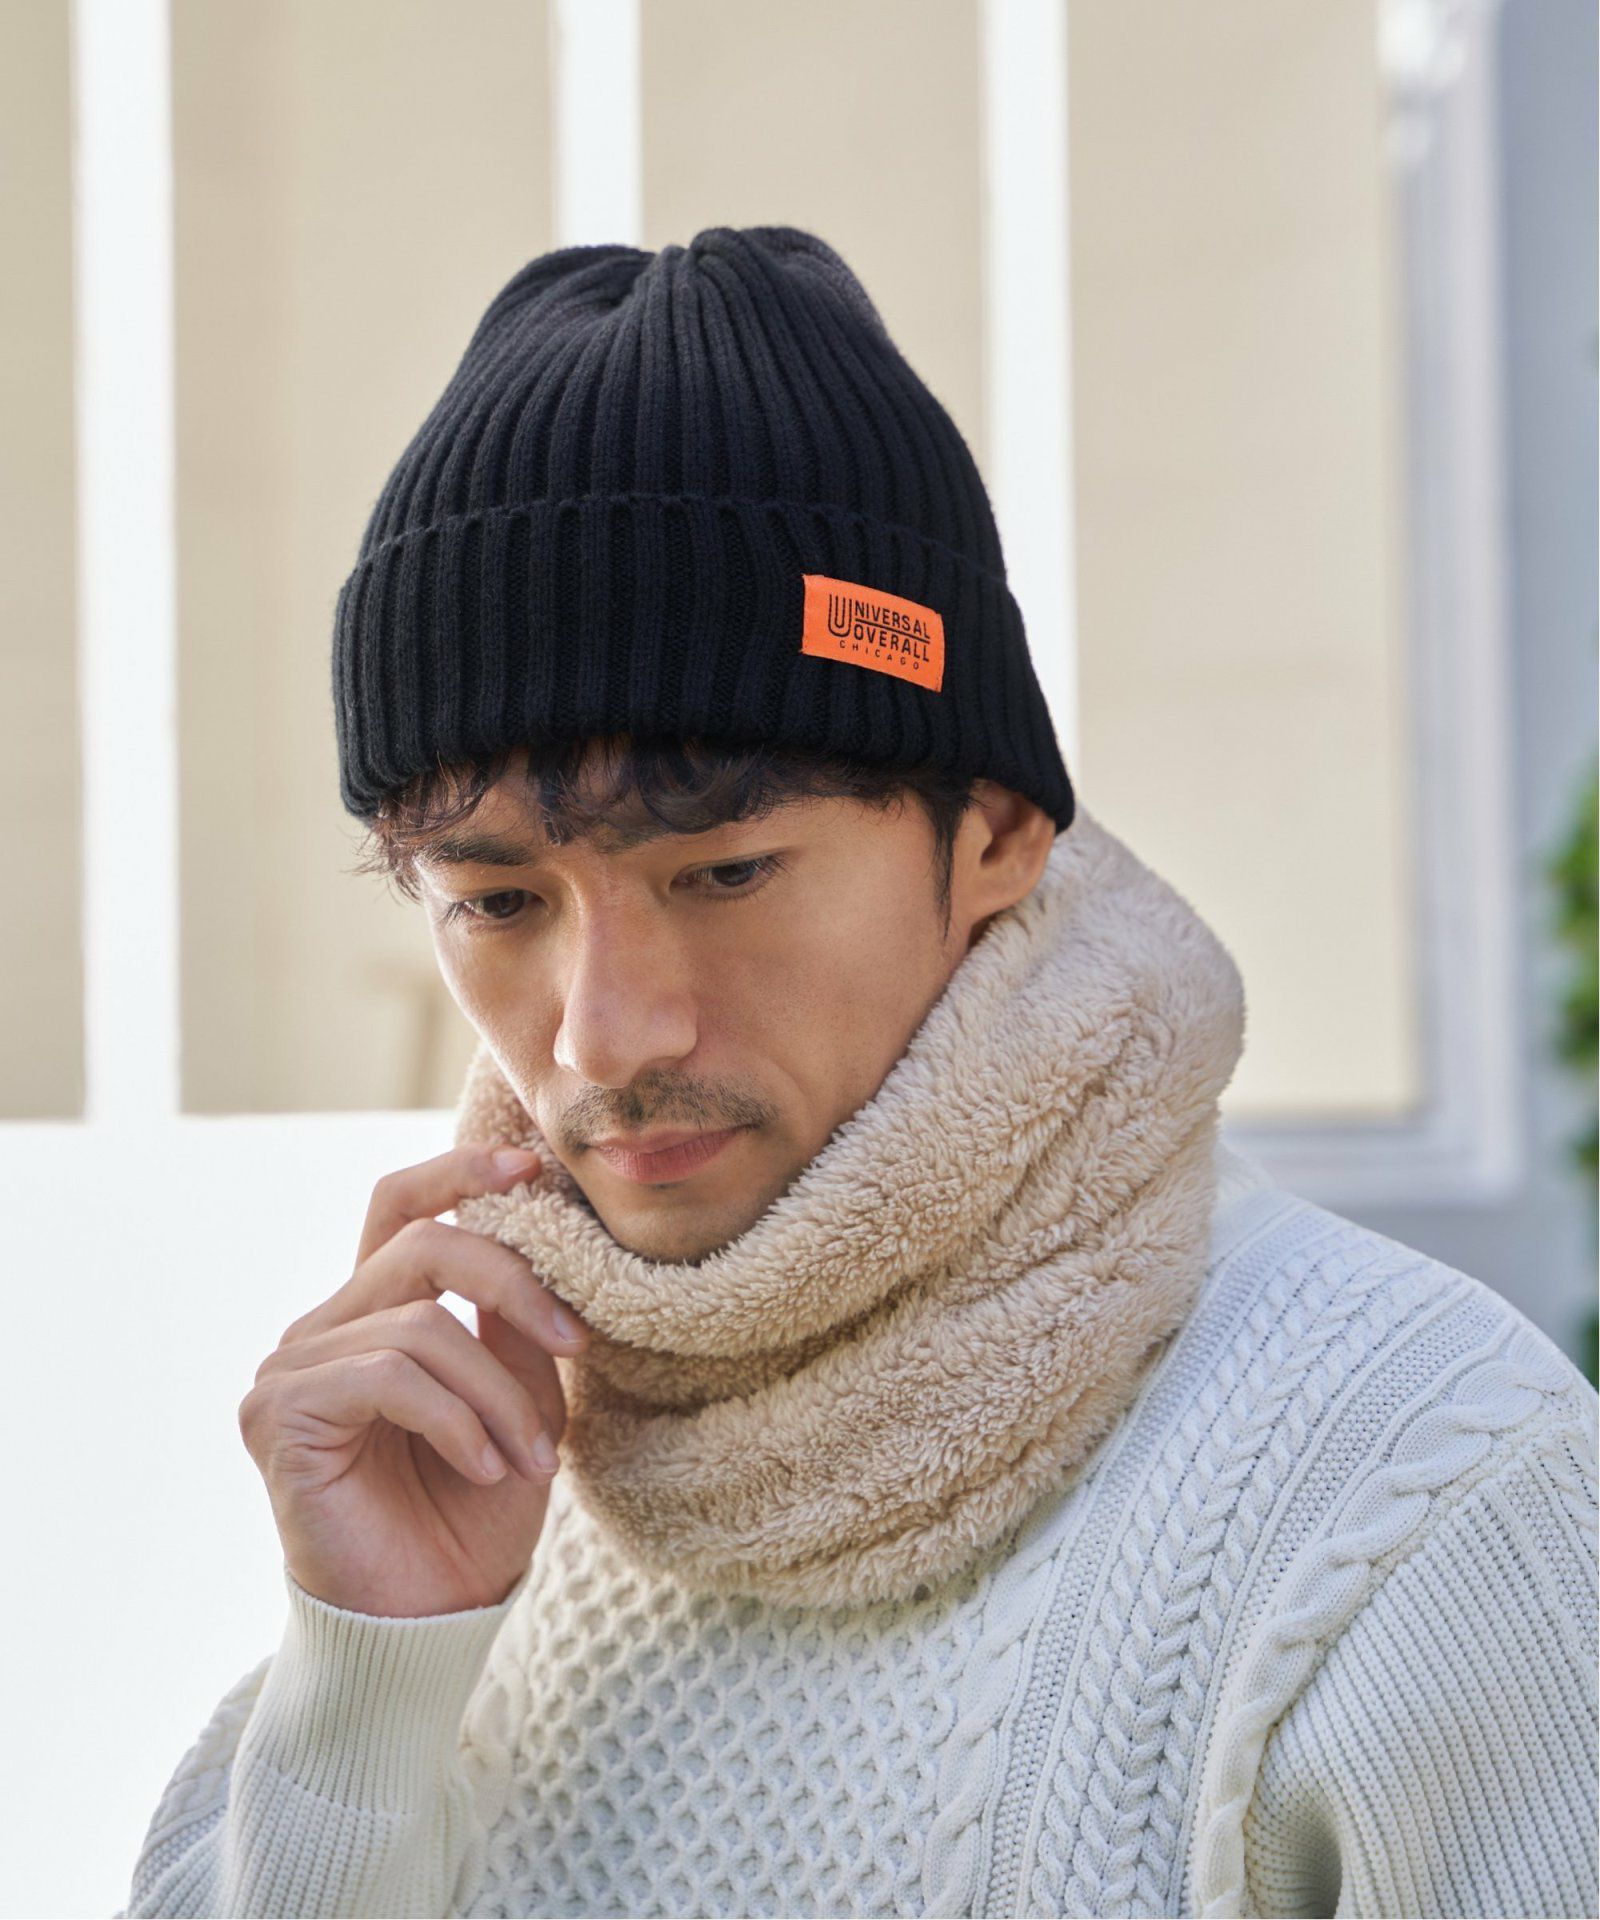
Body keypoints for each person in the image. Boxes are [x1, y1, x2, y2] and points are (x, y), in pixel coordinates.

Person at [119, 226, 1598, 1920]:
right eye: (499, 902)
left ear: (996, 836)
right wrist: (368, 1680)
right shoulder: (460, 1470)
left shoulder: (1424, 1492)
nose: (603, 1035)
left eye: (724, 873)